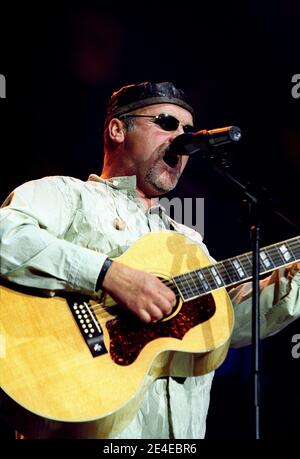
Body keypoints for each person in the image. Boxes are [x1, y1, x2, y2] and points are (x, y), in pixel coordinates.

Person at [0, 81, 299, 439]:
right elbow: (7, 237)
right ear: (117, 129)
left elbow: (225, 327)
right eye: (167, 123)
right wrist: (108, 275)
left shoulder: (188, 243)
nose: (182, 138)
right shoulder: (67, 195)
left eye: (189, 131)